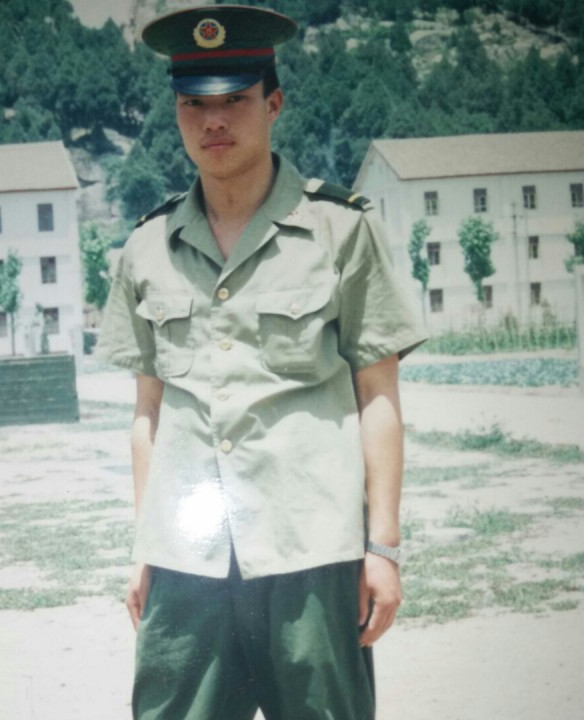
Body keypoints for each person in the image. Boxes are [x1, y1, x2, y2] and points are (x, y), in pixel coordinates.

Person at [97, 5, 427, 719]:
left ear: (273, 104)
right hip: (187, 562)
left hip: (310, 553)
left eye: (235, 100)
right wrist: (144, 547)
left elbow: (378, 398)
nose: (213, 121)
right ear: (177, 113)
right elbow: (147, 414)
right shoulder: (146, 248)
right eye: (194, 104)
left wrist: (384, 548)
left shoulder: (340, 230)